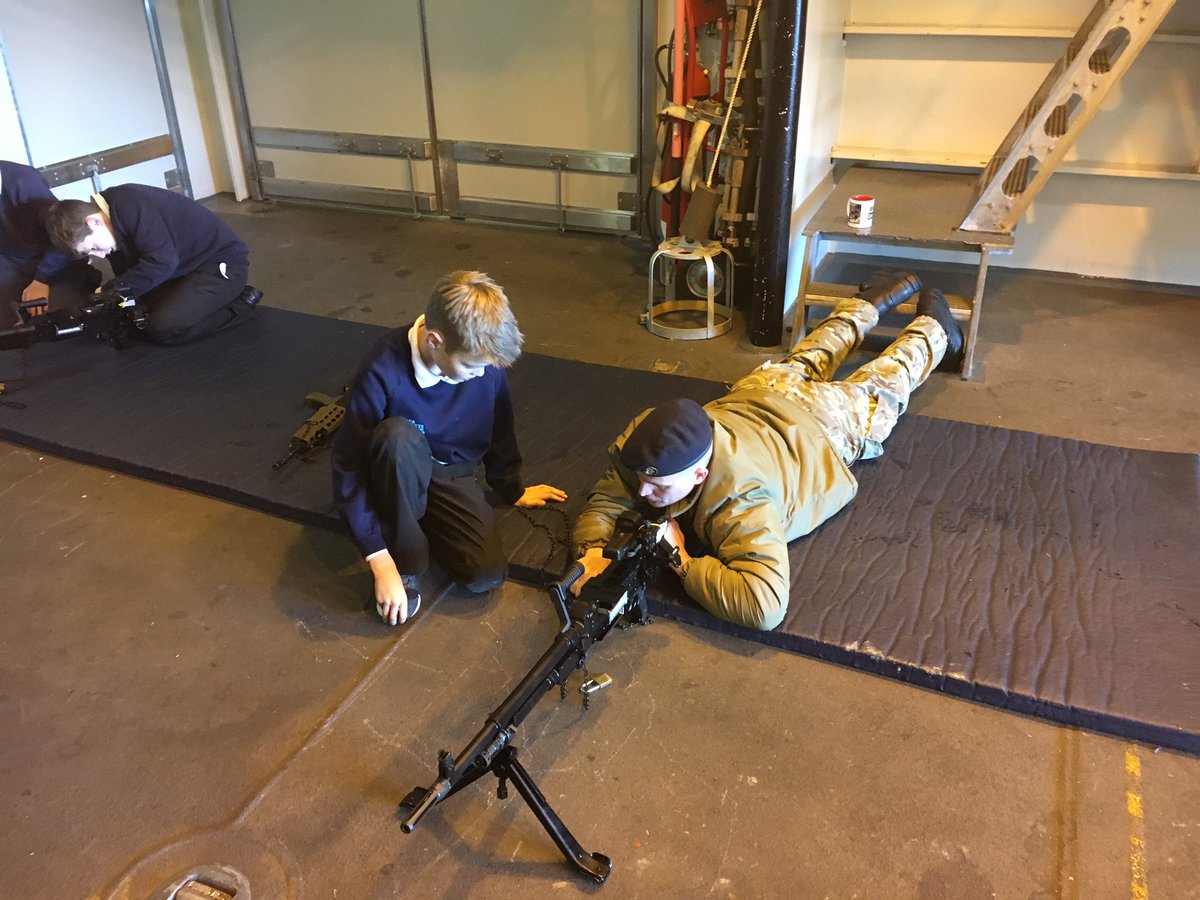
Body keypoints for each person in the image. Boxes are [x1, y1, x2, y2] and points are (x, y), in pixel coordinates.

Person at [570, 271, 965, 631]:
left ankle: (935, 328)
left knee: (888, 378)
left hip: (823, 427)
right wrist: (592, 552)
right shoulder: (649, 443)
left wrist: (683, 560)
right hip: (765, 391)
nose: (642, 494)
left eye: (657, 489)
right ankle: (865, 305)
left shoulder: (741, 498)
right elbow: (608, 499)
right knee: (815, 351)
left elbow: (764, 606)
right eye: (642, 481)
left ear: (700, 476)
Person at [331, 270, 568, 626]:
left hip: (450, 470)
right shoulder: (382, 367)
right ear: (435, 340)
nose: (480, 374)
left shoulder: (484, 366)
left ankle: (415, 515)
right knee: (397, 436)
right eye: (472, 366)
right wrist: (380, 561)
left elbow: (500, 428)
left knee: (484, 574)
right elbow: (348, 464)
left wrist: (512, 487)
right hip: (395, 463)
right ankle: (405, 557)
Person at [43, 183, 260, 344]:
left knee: (164, 328)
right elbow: (131, 276)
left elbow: (161, 263)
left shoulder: (130, 203)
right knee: (137, 317)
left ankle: (240, 304)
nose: (98, 255)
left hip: (220, 265)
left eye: (92, 247)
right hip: (182, 269)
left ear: (94, 221)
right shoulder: (110, 222)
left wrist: (109, 292)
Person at [0, 160, 98, 317]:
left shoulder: (23, 183)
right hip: (9, 259)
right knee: (9, 326)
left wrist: (41, 279)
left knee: (62, 316)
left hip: (51, 257)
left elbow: (66, 232)